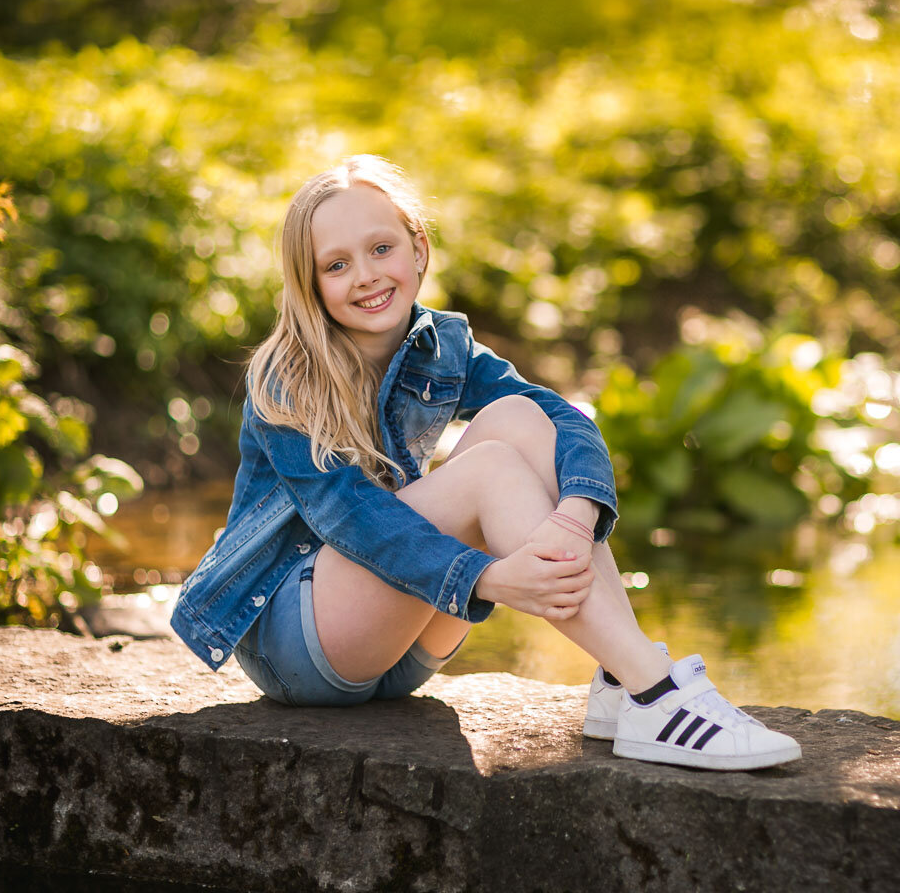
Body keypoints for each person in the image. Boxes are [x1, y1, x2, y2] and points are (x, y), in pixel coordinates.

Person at [170, 155, 801, 771]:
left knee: (522, 420)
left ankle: (621, 681)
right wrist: (488, 580)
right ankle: (656, 691)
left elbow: (566, 421)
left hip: (404, 647)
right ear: (311, 285)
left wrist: (577, 516)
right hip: (299, 644)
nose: (365, 275)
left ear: (418, 248)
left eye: (381, 249)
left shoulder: (444, 345)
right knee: (490, 466)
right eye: (336, 265)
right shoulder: (287, 378)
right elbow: (354, 520)